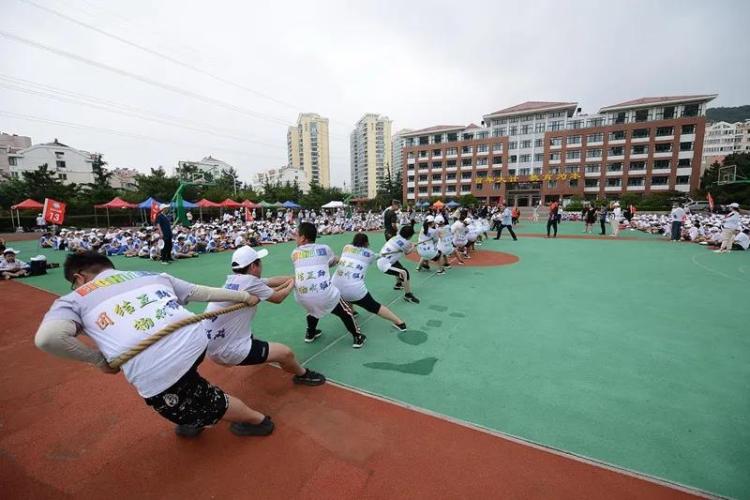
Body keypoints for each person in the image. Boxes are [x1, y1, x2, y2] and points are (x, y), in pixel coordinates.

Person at [33, 251, 280, 438]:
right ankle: (195, 409)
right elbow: (200, 292)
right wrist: (245, 297)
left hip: (161, 367)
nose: (75, 287)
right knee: (188, 378)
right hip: (195, 340)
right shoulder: (148, 275)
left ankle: (258, 420)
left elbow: (48, 338)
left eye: (73, 283)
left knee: (204, 401)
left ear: (79, 277)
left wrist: (98, 361)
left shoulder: (75, 298)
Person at [204, 245, 325, 390]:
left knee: (247, 333)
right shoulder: (250, 282)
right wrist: (292, 284)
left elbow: (272, 280)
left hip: (211, 347)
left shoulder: (236, 280)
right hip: (227, 352)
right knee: (285, 353)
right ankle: (302, 375)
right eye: (259, 262)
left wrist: (297, 277)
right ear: (254, 266)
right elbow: (278, 298)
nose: (262, 265)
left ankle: (253, 349)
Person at [292, 222, 366, 348]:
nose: (295, 238)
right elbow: (331, 262)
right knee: (345, 310)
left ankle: (310, 333)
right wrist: (338, 260)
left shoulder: (294, 253)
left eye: (296, 235)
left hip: (301, 297)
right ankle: (358, 336)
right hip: (324, 295)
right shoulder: (325, 248)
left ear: (303, 238)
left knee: (313, 309)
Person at [332, 233, 408, 331]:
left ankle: (352, 312)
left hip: (334, 287)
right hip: (355, 291)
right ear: (366, 243)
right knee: (374, 307)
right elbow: (374, 256)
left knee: (345, 293)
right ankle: (400, 323)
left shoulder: (346, 247)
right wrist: (379, 255)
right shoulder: (370, 254)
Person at [377, 225, 420, 304]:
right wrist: (413, 246)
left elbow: (404, 244)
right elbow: (407, 252)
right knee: (404, 272)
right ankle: (408, 295)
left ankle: (398, 284)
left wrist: (411, 244)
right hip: (384, 265)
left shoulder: (396, 237)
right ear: (409, 236)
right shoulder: (405, 243)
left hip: (387, 259)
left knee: (398, 266)